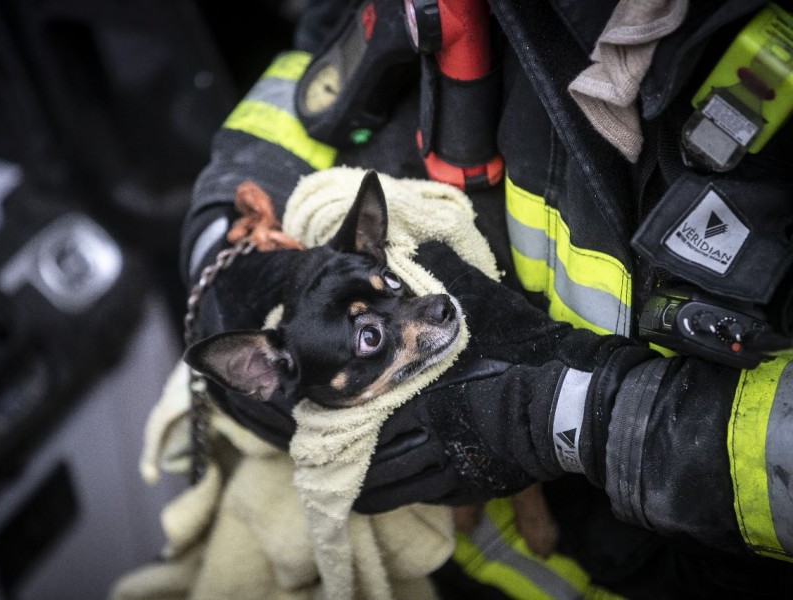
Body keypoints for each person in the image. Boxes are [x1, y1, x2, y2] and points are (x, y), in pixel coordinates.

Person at [181, 0, 793, 597]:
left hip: (630, 548)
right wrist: (219, 235)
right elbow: (314, 55)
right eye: (371, 332)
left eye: (392, 288)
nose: (431, 310)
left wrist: (571, 414)